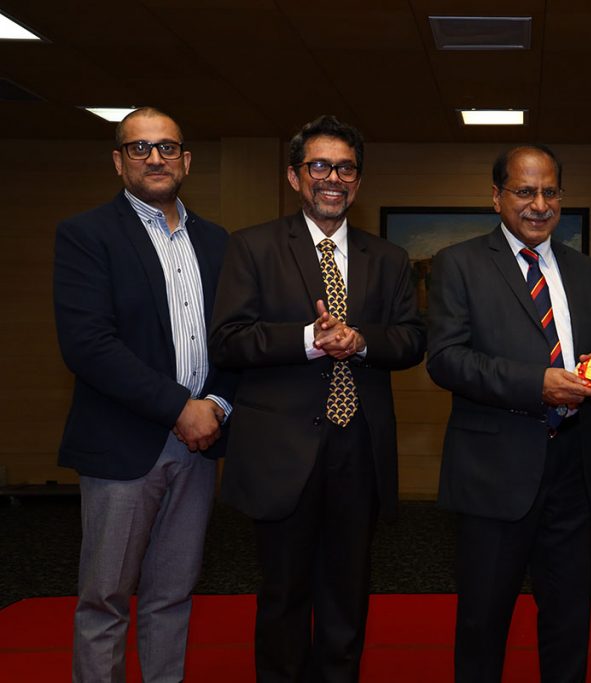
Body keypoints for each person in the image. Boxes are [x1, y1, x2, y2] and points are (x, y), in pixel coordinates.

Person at [209, 115, 425, 682]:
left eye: (346, 168)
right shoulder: (253, 246)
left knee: (347, 594)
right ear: (294, 176)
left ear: (359, 180)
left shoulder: (389, 258)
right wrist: (310, 339)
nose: (333, 178)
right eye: (320, 166)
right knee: (283, 594)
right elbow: (228, 340)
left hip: (359, 450)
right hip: (281, 453)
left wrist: (361, 341)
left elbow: (411, 340)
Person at [53, 107, 234, 682]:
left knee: (172, 595)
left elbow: (234, 339)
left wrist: (216, 407)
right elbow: (88, 345)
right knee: (105, 601)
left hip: (200, 447)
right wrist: (180, 407)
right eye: (139, 148)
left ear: (186, 160)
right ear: (118, 160)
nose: (155, 158)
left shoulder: (217, 241)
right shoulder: (87, 235)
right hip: (122, 446)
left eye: (167, 147)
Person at [427, 144, 591, 683]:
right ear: (497, 197)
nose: (539, 204)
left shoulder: (587, 271)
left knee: (568, 621)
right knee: (483, 625)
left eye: (550, 192)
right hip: (493, 472)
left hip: (573, 468)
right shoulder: (459, 264)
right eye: (525, 191)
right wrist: (538, 384)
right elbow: (446, 360)